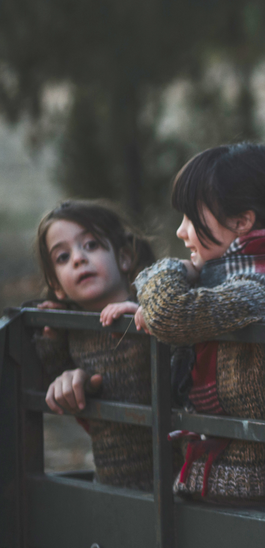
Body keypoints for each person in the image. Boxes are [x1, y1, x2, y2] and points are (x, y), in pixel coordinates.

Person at [132, 143, 265, 520]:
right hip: (207, 487)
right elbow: (179, 312)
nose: (180, 231)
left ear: (242, 222)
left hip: (260, 501)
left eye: (191, 217)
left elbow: (171, 313)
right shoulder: (229, 286)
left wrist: (167, 272)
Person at [33, 199, 157, 490]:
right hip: (112, 484)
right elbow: (62, 375)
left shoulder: (155, 305)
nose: (78, 258)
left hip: (177, 483)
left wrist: (147, 316)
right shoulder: (69, 332)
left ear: (124, 258)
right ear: (57, 284)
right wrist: (65, 367)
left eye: (91, 245)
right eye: (63, 257)